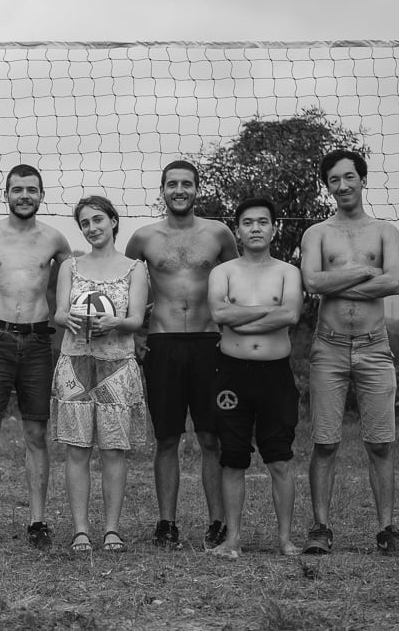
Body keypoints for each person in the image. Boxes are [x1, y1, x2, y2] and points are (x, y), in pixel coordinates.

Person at [300, 149, 399, 556]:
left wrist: (337, 282)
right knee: (325, 442)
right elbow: (312, 281)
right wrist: (366, 272)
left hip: (374, 347)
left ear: (363, 180)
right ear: (326, 186)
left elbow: (395, 282)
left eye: (349, 177)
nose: (342, 186)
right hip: (328, 348)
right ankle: (320, 529)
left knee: (381, 442)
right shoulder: (316, 233)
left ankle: (386, 530)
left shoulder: (385, 231)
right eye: (334, 180)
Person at [124, 160, 238, 549]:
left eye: (186, 184)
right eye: (172, 184)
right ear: (162, 190)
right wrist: (137, 336)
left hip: (210, 344)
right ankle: (166, 523)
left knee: (211, 437)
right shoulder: (143, 238)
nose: (179, 190)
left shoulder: (219, 234)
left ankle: (217, 522)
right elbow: (127, 289)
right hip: (164, 344)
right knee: (167, 438)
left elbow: (237, 280)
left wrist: (233, 335)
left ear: (197, 189)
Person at [0, 165, 72, 548]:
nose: (25, 195)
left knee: (36, 433)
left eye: (32, 190)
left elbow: (77, 281)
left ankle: (37, 522)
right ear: (5, 193)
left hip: (39, 341)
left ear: (42, 195)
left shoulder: (56, 240)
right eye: (17, 189)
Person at [206, 198, 303, 558]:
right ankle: (232, 540)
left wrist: (239, 316)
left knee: (279, 459)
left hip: (275, 375)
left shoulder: (288, 272)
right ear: (238, 231)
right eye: (248, 223)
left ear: (274, 228)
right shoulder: (224, 272)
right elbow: (218, 313)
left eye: (263, 221)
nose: (256, 228)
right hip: (231, 374)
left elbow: (291, 314)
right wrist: (268, 310)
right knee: (232, 458)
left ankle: (285, 540)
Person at [51, 196, 148, 553]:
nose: (92, 228)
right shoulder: (70, 267)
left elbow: (137, 320)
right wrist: (70, 319)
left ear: (113, 221)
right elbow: (60, 313)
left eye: (98, 220)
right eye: (85, 223)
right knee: (77, 449)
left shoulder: (135, 268)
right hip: (75, 364)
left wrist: (116, 323)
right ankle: (80, 530)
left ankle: (111, 530)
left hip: (117, 365)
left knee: (113, 450)